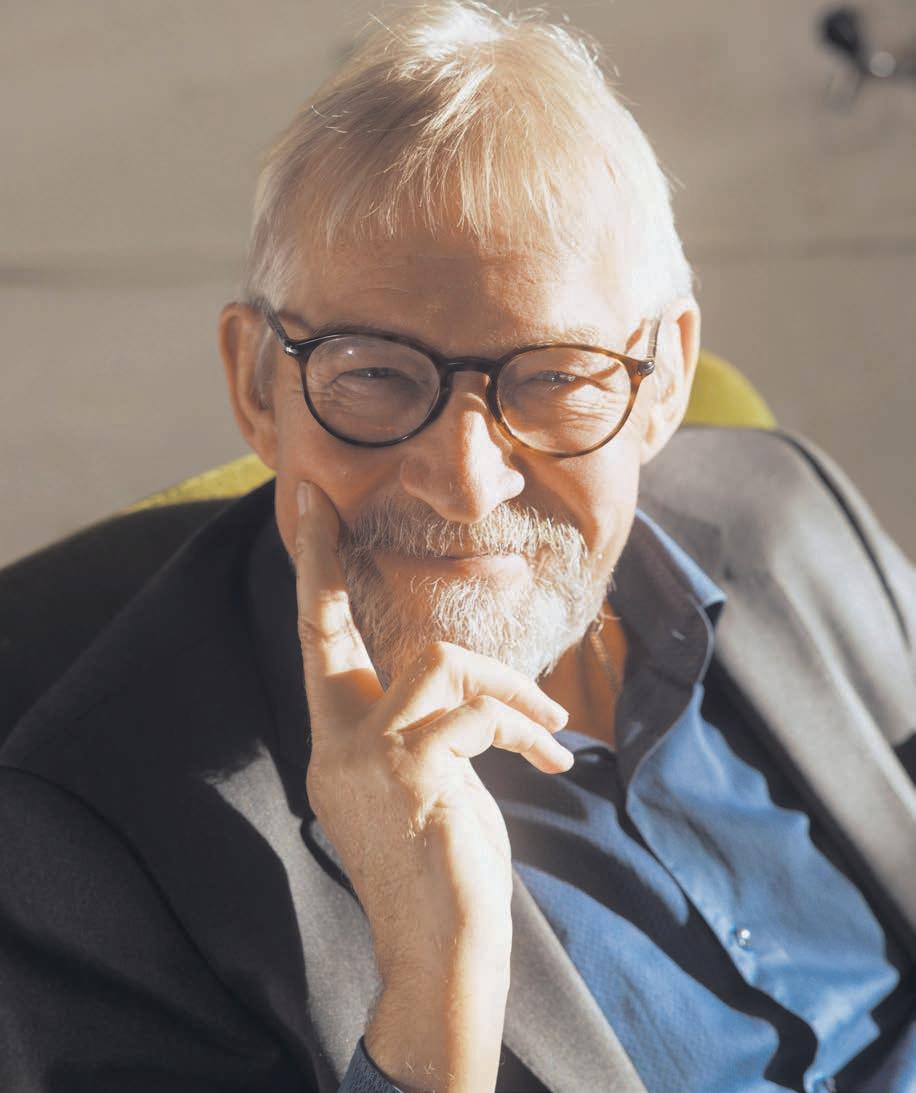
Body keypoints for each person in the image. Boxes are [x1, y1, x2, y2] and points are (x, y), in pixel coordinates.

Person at [1, 2, 915, 1091]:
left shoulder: (791, 509)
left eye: (556, 375)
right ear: (257, 385)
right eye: (374, 374)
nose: (468, 483)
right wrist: (434, 994)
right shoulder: (85, 845)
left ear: (665, 377)